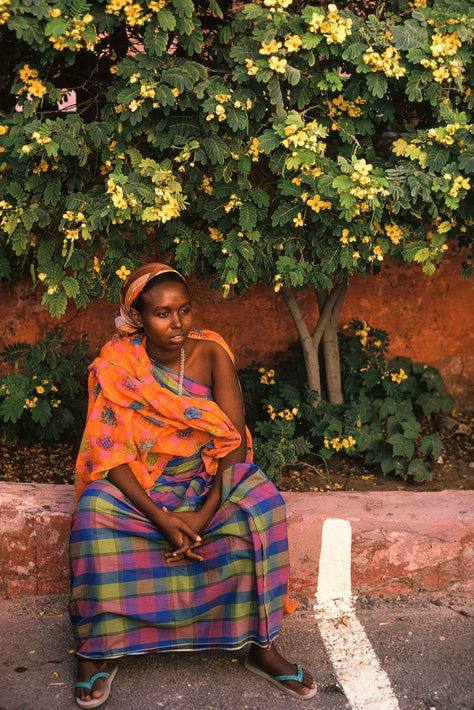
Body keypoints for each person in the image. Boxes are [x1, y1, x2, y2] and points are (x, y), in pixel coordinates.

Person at [70, 263, 316, 708]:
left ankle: (262, 649)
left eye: (184, 310)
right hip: (145, 484)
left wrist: (202, 515)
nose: (177, 323)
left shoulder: (212, 353)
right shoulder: (118, 364)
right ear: (138, 318)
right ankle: (97, 651)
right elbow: (111, 455)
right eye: (163, 314)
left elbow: (234, 441)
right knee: (93, 511)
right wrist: (162, 517)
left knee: (261, 505)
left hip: (207, 479)